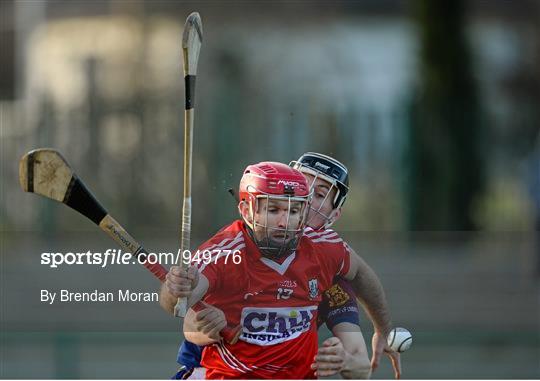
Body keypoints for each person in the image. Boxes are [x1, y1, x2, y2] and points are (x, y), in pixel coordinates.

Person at [161, 161, 397, 379]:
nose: (284, 222)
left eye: (294, 210)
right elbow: (183, 310)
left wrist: (354, 353)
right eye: (274, 210)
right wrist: (178, 289)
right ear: (246, 210)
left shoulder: (328, 253)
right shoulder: (225, 252)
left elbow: (360, 365)